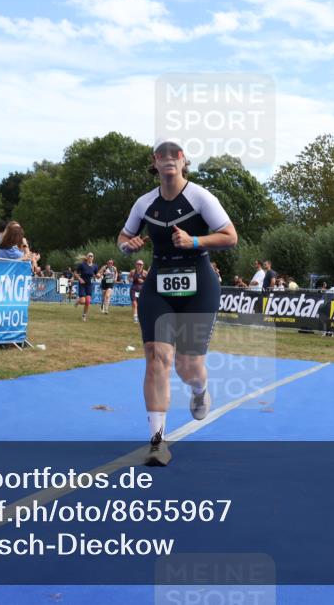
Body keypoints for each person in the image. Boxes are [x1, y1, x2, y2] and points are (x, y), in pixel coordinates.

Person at [117, 137, 237, 466]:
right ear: (154, 163)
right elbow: (123, 237)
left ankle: (199, 391)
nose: (169, 159)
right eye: (162, 155)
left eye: (176, 154)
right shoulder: (144, 203)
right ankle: (157, 441)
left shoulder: (200, 196)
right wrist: (128, 246)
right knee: (156, 358)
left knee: (188, 366)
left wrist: (194, 240)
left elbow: (230, 236)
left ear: (184, 160)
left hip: (199, 283)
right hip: (159, 282)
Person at [73, 252, 99, 321]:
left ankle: (84, 315)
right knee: (82, 301)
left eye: (92, 256)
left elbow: (96, 275)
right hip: (82, 284)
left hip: (89, 285)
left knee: (88, 301)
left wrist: (98, 276)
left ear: (93, 258)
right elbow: (75, 273)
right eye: (89, 256)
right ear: (87, 257)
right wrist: (80, 279)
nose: (91, 257)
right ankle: (77, 301)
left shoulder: (95, 266)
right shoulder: (82, 265)